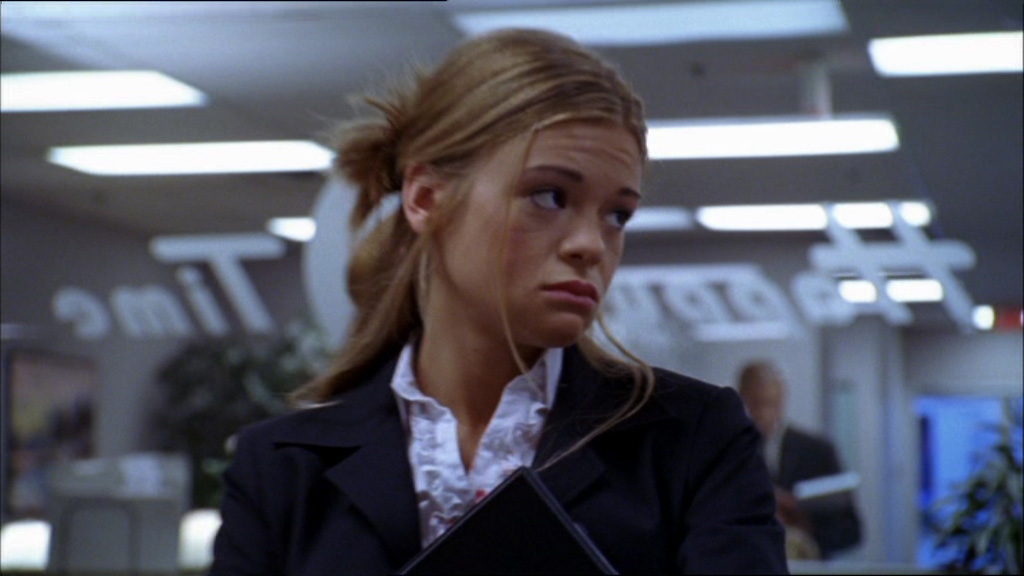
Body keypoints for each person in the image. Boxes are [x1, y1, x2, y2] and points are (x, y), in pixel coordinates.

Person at [210, 29, 787, 575]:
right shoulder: (282, 467)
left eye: (617, 214)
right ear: (426, 198)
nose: (591, 244)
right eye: (549, 196)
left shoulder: (692, 441)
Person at [738, 361, 862, 560]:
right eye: (757, 403)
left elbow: (851, 530)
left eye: (771, 403)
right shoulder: (730, 452)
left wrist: (805, 524)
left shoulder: (817, 451)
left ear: (782, 399)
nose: (764, 413)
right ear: (743, 400)